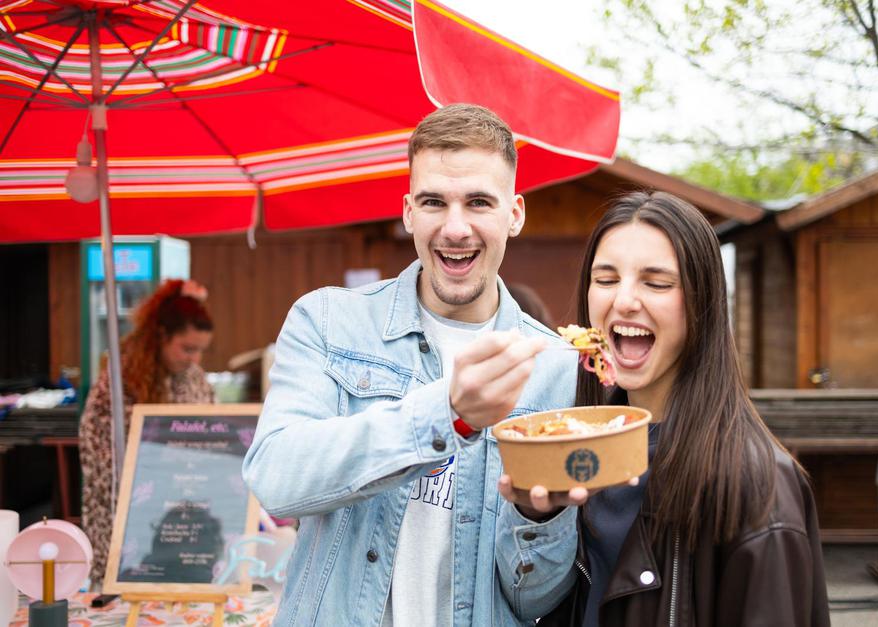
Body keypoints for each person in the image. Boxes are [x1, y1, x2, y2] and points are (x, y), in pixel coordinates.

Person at [243, 104, 586, 626]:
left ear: (513, 214)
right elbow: (276, 479)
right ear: (408, 212)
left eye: (478, 202)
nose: (455, 227)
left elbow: (535, 600)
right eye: (433, 202)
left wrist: (541, 517)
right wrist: (446, 414)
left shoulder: (559, 369)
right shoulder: (329, 322)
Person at [533, 191, 830, 626]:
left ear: (702, 303)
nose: (625, 301)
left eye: (656, 283)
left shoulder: (758, 486)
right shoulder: (582, 447)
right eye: (607, 278)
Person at [79, 278, 214, 584]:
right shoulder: (119, 381)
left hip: (183, 518)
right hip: (129, 519)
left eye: (200, 351)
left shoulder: (193, 376)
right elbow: (98, 455)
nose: (195, 359)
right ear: (161, 336)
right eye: (187, 349)